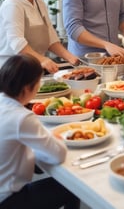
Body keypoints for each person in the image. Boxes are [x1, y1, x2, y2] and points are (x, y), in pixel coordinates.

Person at [0, 54, 80, 209]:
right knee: (74, 186)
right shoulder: (21, 117)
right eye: (38, 83)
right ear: (28, 87)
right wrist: (56, 138)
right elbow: (58, 154)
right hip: (8, 199)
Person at [0, 0, 80, 74]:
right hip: (11, 73)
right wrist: (42, 59)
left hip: (32, 70)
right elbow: (17, 42)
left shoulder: (40, 3)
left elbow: (51, 39)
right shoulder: (13, 4)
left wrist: (70, 57)